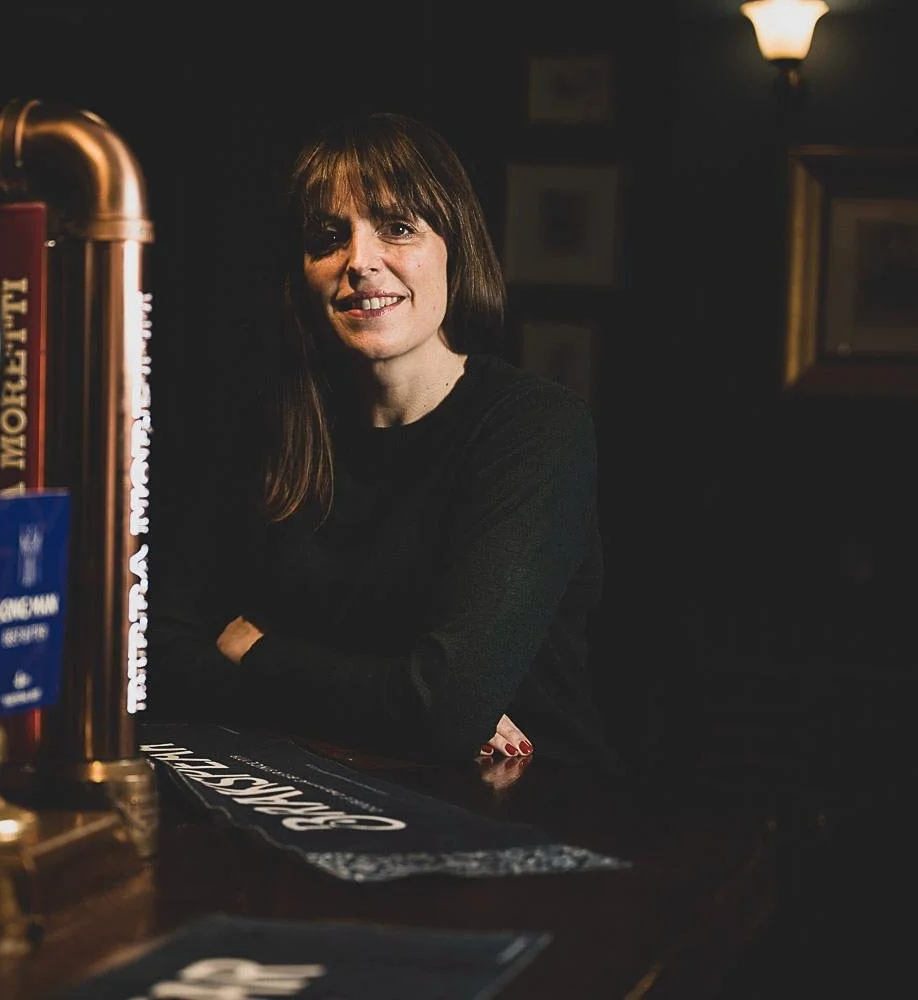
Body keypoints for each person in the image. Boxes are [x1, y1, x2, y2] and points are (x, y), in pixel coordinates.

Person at [145, 111, 620, 775]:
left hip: (529, 815)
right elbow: (157, 653)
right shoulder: (273, 427)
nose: (361, 261)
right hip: (328, 795)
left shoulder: (535, 428)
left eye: (397, 228)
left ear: (454, 246)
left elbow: (443, 707)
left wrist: (256, 648)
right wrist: (400, 697)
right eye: (327, 238)